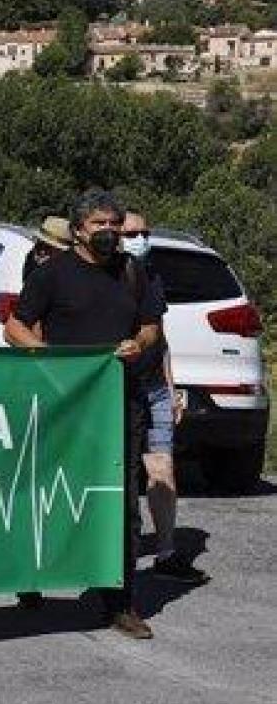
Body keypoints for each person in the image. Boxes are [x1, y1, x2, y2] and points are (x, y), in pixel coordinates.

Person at [3, 189, 163, 640]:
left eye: (114, 224)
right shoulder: (52, 274)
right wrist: (53, 361)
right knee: (49, 495)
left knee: (121, 504)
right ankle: (30, 574)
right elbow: (14, 328)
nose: (109, 232)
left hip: (120, 405)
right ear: (78, 230)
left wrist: (139, 344)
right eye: (99, 224)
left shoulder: (133, 272)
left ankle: (119, 600)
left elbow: (151, 326)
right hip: (64, 407)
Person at [121, 211, 207, 585]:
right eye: (131, 233)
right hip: (118, 388)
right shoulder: (106, 280)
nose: (140, 239)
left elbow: (161, 337)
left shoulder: (152, 276)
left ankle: (167, 552)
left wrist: (172, 389)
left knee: (162, 470)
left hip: (155, 387)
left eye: (145, 232)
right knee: (117, 475)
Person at [22, 216, 73, 281]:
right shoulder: (31, 262)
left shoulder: (68, 279)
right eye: (39, 245)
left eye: (49, 248)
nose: (42, 252)